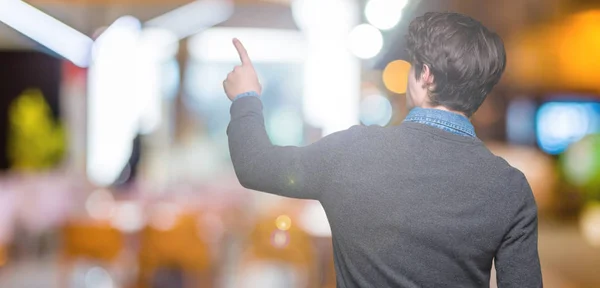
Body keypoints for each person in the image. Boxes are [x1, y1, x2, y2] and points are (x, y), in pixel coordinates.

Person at [223, 12, 542, 288]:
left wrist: (246, 97)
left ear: (425, 75)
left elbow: (254, 164)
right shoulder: (509, 188)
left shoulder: (350, 154)